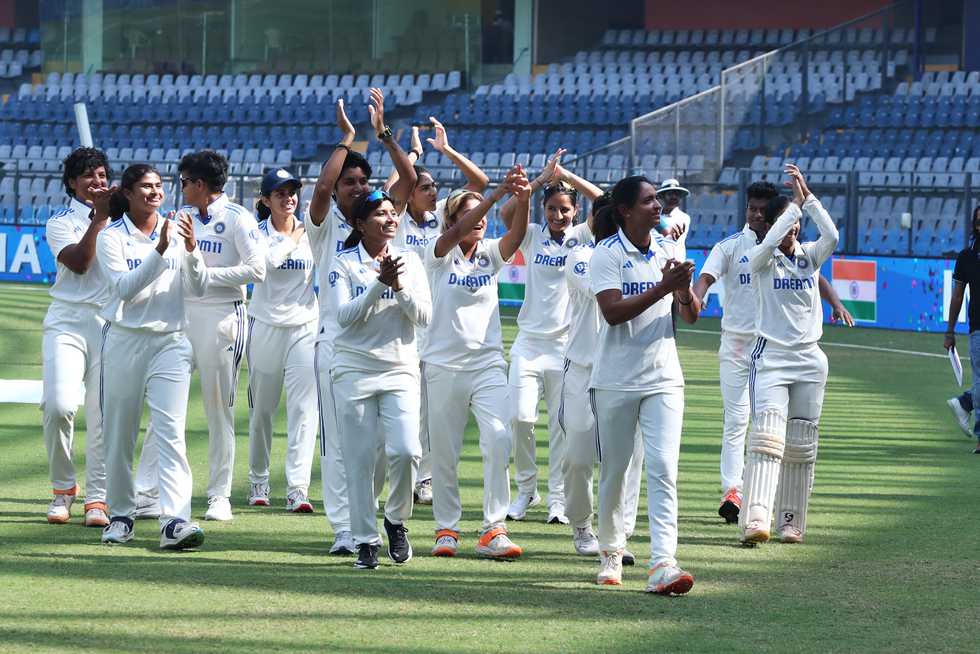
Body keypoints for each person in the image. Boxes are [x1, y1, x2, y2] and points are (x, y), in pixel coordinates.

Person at [692, 181, 854, 524]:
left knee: (775, 428)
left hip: (775, 348)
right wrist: (698, 295)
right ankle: (733, 490)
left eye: (762, 210)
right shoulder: (737, 248)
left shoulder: (792, 249)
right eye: (751, 208)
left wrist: (835, 302)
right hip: (739, 344)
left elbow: (813, 271)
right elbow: (706, 276)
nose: (755, 214)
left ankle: (771, 497)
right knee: (738, 419)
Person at [306, 90, 417, 555]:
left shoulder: (382, 217)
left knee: (388, 452)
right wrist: (347, 139)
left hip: (388, 348)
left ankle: (382, 520)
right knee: (342, 449)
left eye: (359, 180)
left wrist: (384, 134)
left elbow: (408, 181)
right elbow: (319, 190)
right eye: (347, 181)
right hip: (338, 343)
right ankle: (345, 533)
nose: (352, 186)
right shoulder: (324, 224)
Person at [133, 150, 267, 522]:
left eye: (184, 182)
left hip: (223, 316)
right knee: (165, 403)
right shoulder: (181, 217)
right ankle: (146, 492)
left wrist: (209, 277)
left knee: (217, 407)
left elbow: (258, 270)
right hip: (181, 316)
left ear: (200, 184)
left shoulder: (238, 218)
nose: (181, 188)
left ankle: (219, 495)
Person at [589, 175, 699, 594]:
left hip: (664, 377)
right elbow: (613, 312)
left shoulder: (669, 249)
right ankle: (612, 552)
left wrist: (684, 290)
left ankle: (663, 563)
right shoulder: (606, 254)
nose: (659, 206)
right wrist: (663, 288)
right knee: (616, 471)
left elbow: (690, 315)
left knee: (664, 468)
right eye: (650, 201)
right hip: (615, 379)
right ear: (625, 211)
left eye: (659, 201)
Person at [96, 163, 209, 550]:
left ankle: (175, 520)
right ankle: (122, 515)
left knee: (170, 433)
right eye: (146, 186)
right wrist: (160, 249)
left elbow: (199, 285)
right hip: (126, 340)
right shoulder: (111, 237)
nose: (155, 192)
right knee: (119, 435)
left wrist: (191, 250)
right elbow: (125, 289)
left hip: (171, 343)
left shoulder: (178, 231)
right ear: (127, 193)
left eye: (159, 186)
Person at [423, 165, 530, 559]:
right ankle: (446, 528)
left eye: (483, 215)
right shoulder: (437, 253)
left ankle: (493, 529)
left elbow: (516, 236)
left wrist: (523, 197)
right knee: (445, 453)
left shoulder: (488, 253)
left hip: (487, 365)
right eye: (472, 214)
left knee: (500, 438)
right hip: (442, 366)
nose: (481, 220)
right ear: (452, 220)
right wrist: (494, 193)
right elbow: (453, 232)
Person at [384, 115, 489, 505]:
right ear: (409, 192)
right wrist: (410, 153)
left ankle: (424, 478)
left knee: (427, 408)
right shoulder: (392, 217)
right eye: (425, 186)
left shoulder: (439, 220)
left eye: (435, 187)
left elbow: (478, 186)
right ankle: (397, 473)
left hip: (434, 322)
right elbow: (395, 182)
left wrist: (445, 150)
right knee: (400, 404)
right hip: (398, 316)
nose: (433, 192)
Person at [327, 189, 431, 569]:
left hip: (400, 367)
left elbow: (424, 317)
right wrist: (377, 284)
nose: (390, 219)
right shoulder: (343, 263)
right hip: (353, 369)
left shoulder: (410, 261)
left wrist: (398, 286)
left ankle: (396, 520)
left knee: (407, 452)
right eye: (380, 215)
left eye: (392, 213)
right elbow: (344, 317)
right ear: (359, 224)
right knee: (358, 460)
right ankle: (365, 540)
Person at [498, 149, 601, 524]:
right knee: (520, 418)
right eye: (552, 209)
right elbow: (506, 215)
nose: (558, 216)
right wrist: (541, 180)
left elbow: (603, 201)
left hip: (564, 347)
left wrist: (567, 176)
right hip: (528, 342)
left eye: (564, 210)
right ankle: (527, 490)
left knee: (561, 427)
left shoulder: (581, 236)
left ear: (574, 212)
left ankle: (558, 499)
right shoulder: (533, 234)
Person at [739, 164, 839, 545]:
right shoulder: (760, 256)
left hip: (810, 359)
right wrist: (792, 208)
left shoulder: (809, 257)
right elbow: (773, 238)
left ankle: (791, 521)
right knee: (766, 436)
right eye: (784, 222)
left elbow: (831, 233)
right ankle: (755, 518)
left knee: (801, 442)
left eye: (794, 222)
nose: (791, 228)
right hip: (772, 358)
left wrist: (808, 199)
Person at [561, 191, 645, 561]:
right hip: (582, 368)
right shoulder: (580, 257)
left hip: (625, 370)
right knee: (579, 456)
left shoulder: (642, 258)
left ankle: (618, 533)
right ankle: (582, 525)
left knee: (626, 458)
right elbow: (602, 295)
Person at [41, 147, 114, 527]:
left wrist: (114, 216)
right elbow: (80, 264)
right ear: (71, 182)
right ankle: (63, 489)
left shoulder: (122, 220)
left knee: (103, 414)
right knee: (59, 405)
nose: (96, 182)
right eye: (88, 175)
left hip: (109, 324)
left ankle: (98, 498)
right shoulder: (60, 222)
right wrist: (98, 220)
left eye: (101, 175)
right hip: (67, 321)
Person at [245, 168, 318, 512]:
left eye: (292, 192)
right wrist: (293, 238)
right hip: (265, 324)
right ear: (265, 200)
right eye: (280, 193)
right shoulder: (255, 233)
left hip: (304, 325)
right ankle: (258, 479)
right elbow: (267, 265)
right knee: (263, 409)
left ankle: (297, 488)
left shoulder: (312, 234)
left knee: (304, 411)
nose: (289, 198)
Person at [944, 205, 980, 454]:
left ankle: (964, 402)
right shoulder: (967, 257)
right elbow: (957, 297)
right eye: (978, 221)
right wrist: (950, 331)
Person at [653, 178, 691, 260]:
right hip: (654, 263)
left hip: (675, 264)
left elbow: (669, 235)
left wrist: (649, 215)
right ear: (662, 196)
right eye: (670, 194)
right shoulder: (653, 216)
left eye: (677, 194)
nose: (674, 197)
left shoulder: (684, 218)